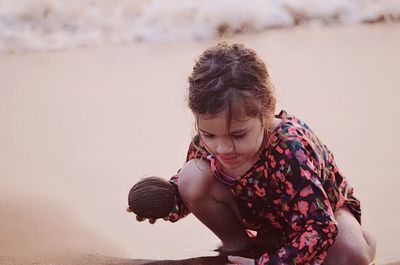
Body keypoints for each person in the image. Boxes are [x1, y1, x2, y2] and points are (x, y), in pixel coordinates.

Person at [127, 43, 376, 265]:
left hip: (322, 214)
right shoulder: (206, 143)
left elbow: (320, 226)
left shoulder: (292, 148)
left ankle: (364, 240)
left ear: (267, 110)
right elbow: (188, 191)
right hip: (261, 218)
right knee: (191, 176)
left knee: (352, 258)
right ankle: (241, 248)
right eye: (209, 135)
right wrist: (165, 204)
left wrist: (271, 263)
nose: (222, 148)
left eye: (237, 135)